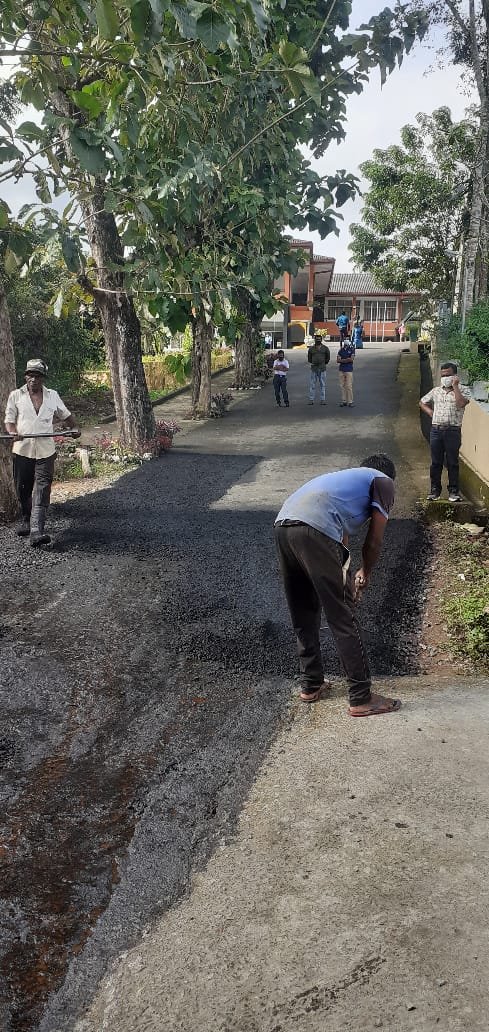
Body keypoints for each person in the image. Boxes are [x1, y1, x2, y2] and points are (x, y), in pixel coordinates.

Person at [274, 454, 401, 717]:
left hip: (284, 526)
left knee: (303, 612)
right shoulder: (384, 482)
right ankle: (361, 697)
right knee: (343, 617)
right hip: (314, 528)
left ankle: (311, 684)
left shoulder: (343, 484)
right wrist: (366, 571)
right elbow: (374, 540)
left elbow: (339, 544)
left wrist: (350, 576)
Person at [4, 358, 80, 545]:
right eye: (30, 375)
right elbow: (9, 420)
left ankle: (37, 530)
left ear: (43, 378)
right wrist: (13, 433)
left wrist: (75, 428)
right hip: (23, 449)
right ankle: (26, 519)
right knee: (23, 487)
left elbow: (66, 415)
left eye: (37, 376)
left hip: (46, 450)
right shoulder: (16, 395)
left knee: (42, 488)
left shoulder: (52, 395)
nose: (33, 379)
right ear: (25, 376)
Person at [419, 362, 471, 501]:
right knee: (436, 462)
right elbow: (422, 401)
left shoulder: (463, 390)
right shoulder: (436, 391)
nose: (445, 377)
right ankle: (434, 490)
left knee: (452, 462)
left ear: (455, 376)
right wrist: (430, 412)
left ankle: (454, 491)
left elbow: (461, 404)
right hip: (436, 430)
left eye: (448, 375)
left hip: (453, 431)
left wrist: (455, 387)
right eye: (443, 375)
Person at [307, 333, 330, 405]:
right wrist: (315, 362)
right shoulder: (311, 349)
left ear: (321, 340)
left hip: (322, 368)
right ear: (315, 340)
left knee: (322, 384)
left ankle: (322, 400)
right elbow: (309, 359)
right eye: (317, 340)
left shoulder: (325, 348)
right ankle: (311, 399)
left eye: (319, 339)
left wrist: (323, 363)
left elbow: (328, 358)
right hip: (314, 368)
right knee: (312, 384)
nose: (318, 341)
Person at [337, 337, 355, 407]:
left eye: (347, 339)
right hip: (341, 370)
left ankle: (350, 401)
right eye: (345, 340)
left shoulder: (352, 350)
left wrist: (343, 360)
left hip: (349, 370)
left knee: (349, 386)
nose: (346, 341)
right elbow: (338, 360)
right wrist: (346, 359)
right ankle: (344, 401)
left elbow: (351, 359)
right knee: (342, 386)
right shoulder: (341, 350)